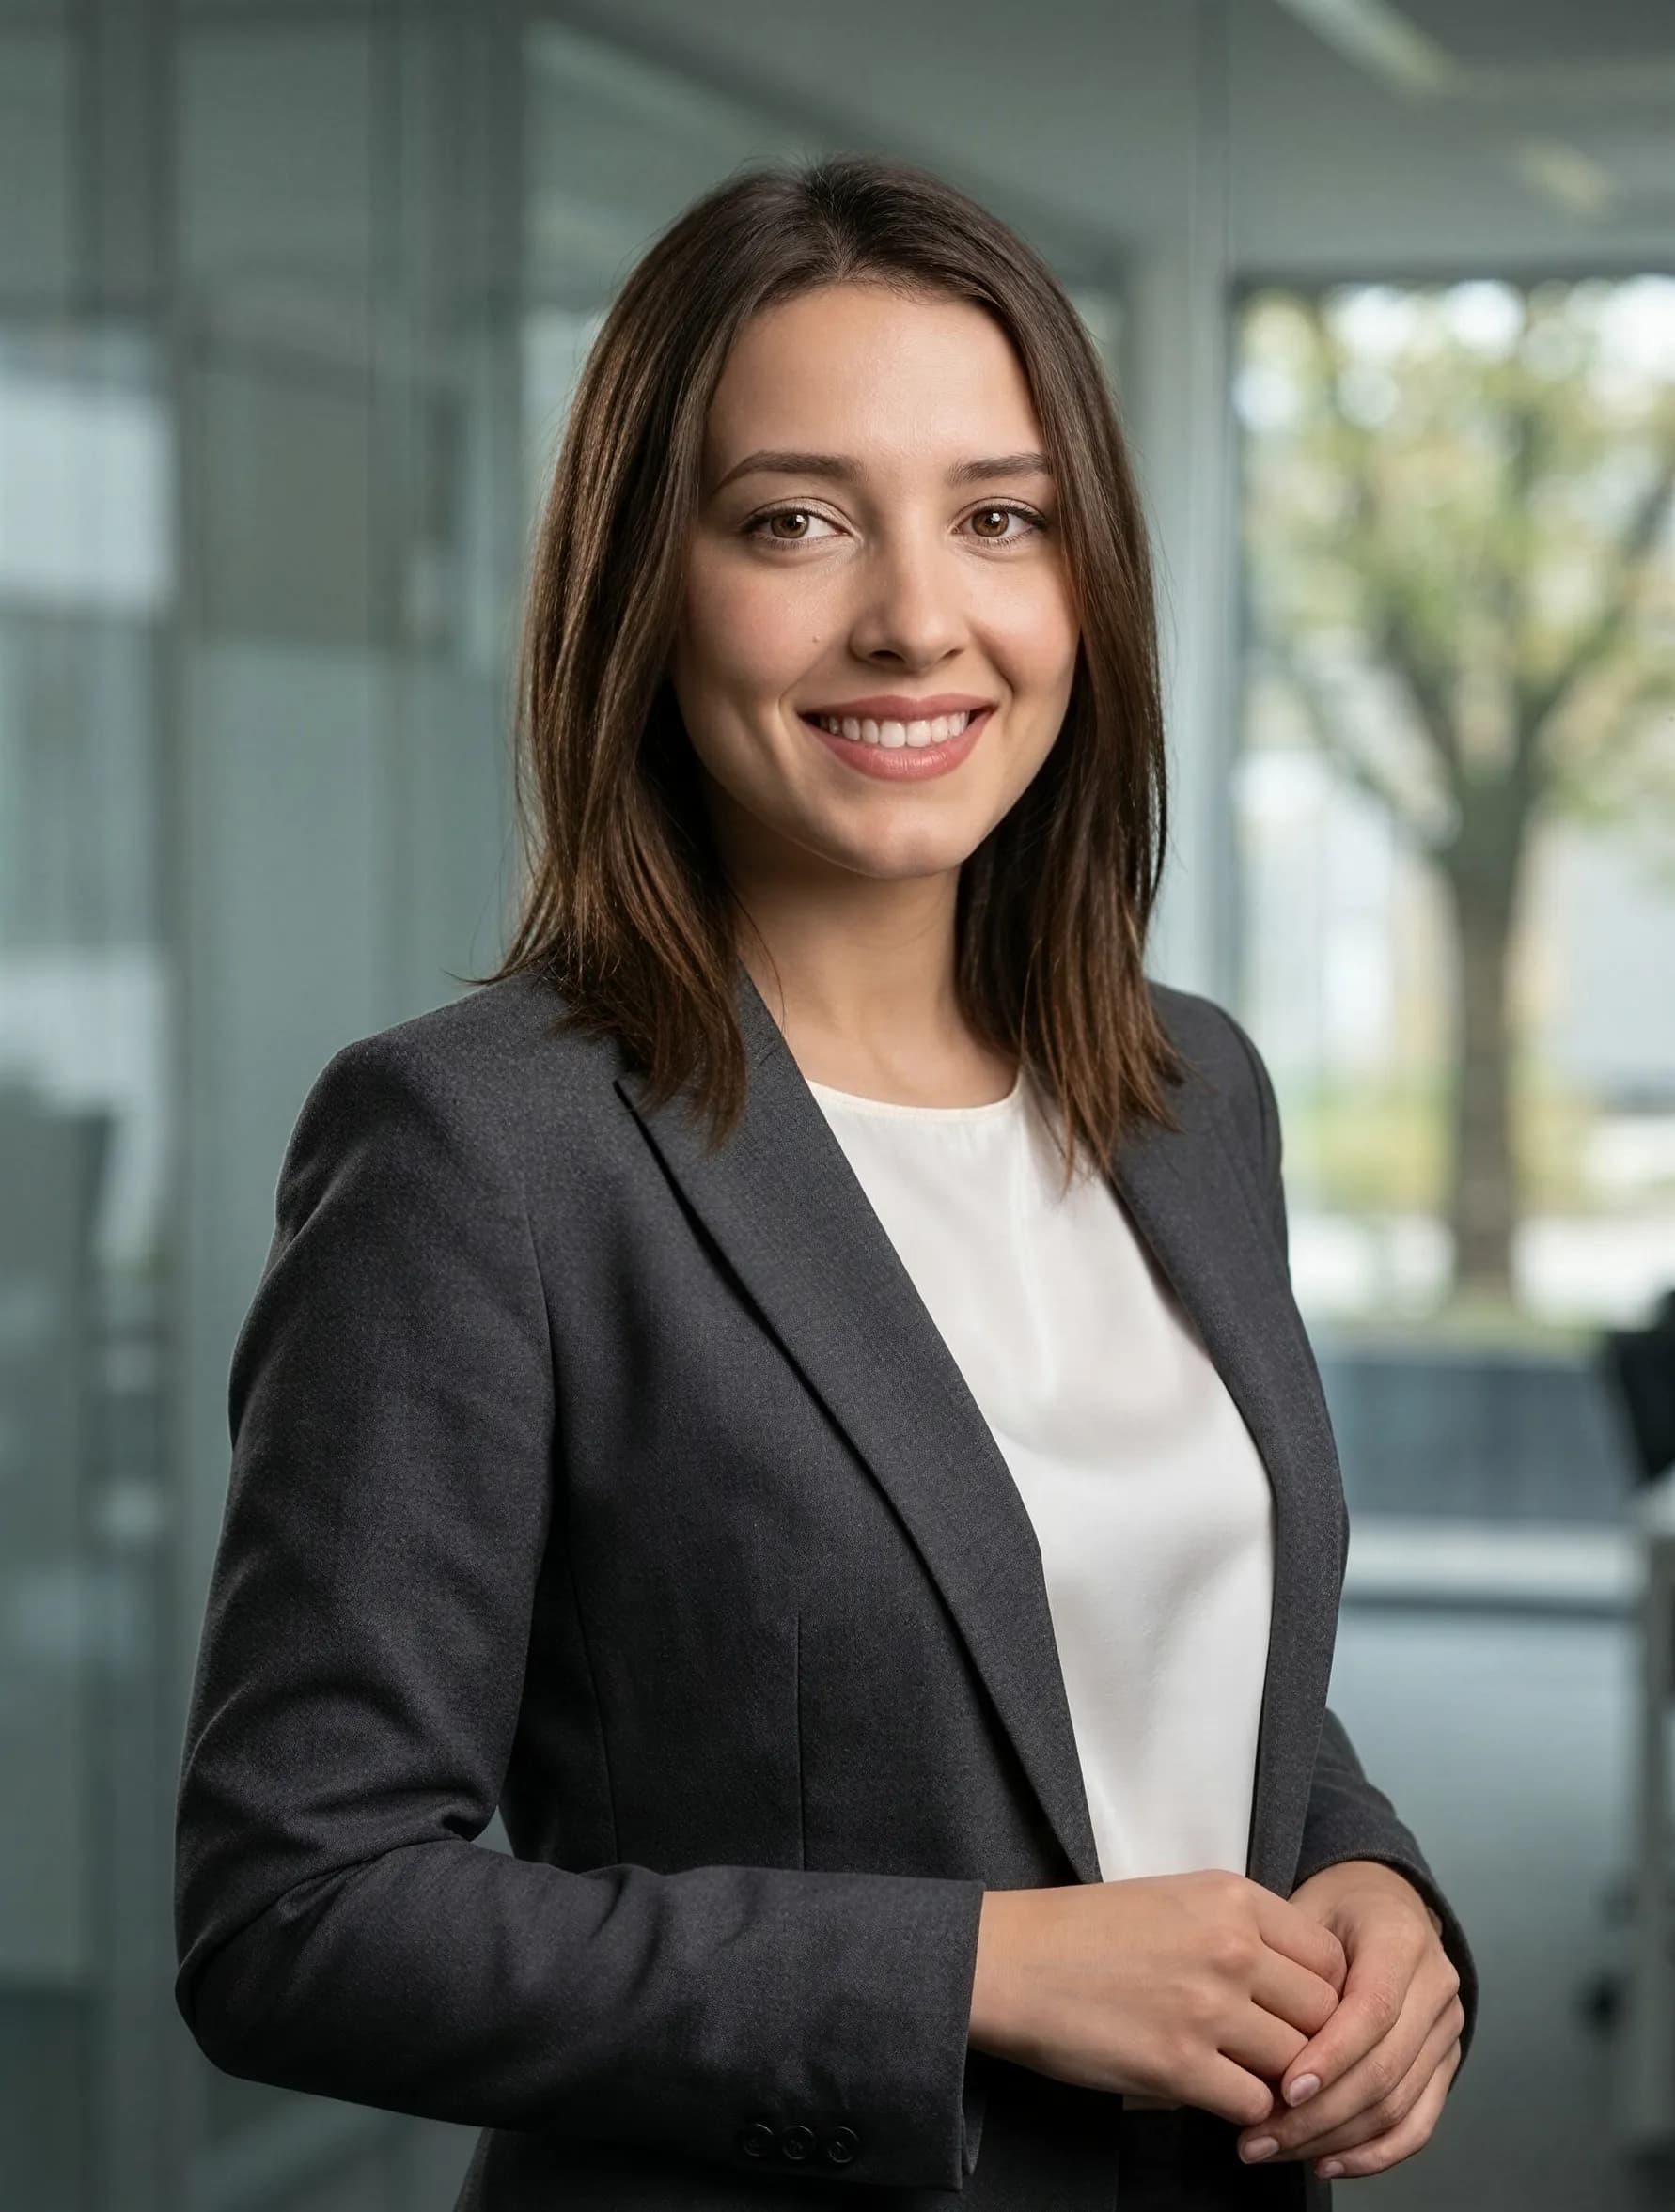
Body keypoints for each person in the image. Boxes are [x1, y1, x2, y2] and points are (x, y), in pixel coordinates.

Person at [172, 152, 1477, 2210]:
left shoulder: (1189, 1092)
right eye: (795, 519)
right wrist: (971, 1975)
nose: (915, 618)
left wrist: (1368, 1875)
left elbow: (1148, 1644)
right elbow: (296, 1911)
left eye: (999, 518)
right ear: (647, 581)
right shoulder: (482, 1149)